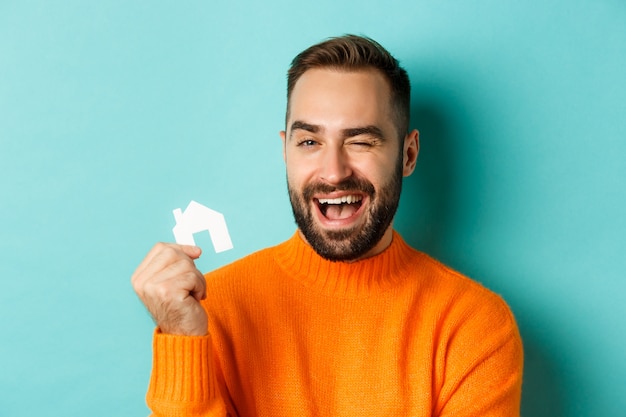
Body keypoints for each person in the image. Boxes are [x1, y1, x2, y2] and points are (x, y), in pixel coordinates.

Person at [131, 35, 523, 417]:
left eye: (361, 141)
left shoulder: (472, 326)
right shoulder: (210, 313)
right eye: (309, 142)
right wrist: (182, 340)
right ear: (285, 151)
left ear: (408, 155)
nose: (333, 173)